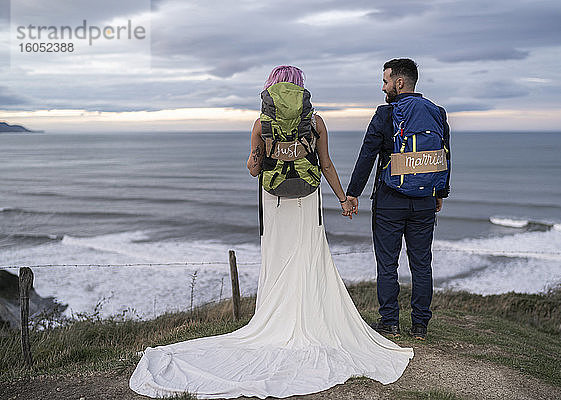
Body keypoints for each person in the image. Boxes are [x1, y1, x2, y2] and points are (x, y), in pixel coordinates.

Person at [129, 65, 413, 399]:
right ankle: (309, 317)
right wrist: (343, 198)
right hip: (307, 199)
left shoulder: (261, 124)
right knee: (308, 255)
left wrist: (259, 155)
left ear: (272, 89)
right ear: (300, 89)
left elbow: (253, 169)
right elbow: (326, 164)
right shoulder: (316, 122)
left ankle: (274, 318)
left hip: (274, 201)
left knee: (278, 258)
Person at [345, 59, 451, 341]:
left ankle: (390, 322)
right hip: (425, 202)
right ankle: (420, 326)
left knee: (387, 263)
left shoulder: (385, 114)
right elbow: (444, 156)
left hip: (390, 200)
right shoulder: (438, 113)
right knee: (421, 263)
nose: (383, 87)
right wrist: (440, 193)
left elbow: (367, 155)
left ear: (399, 82)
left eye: (385, 81)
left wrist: (352, 193)